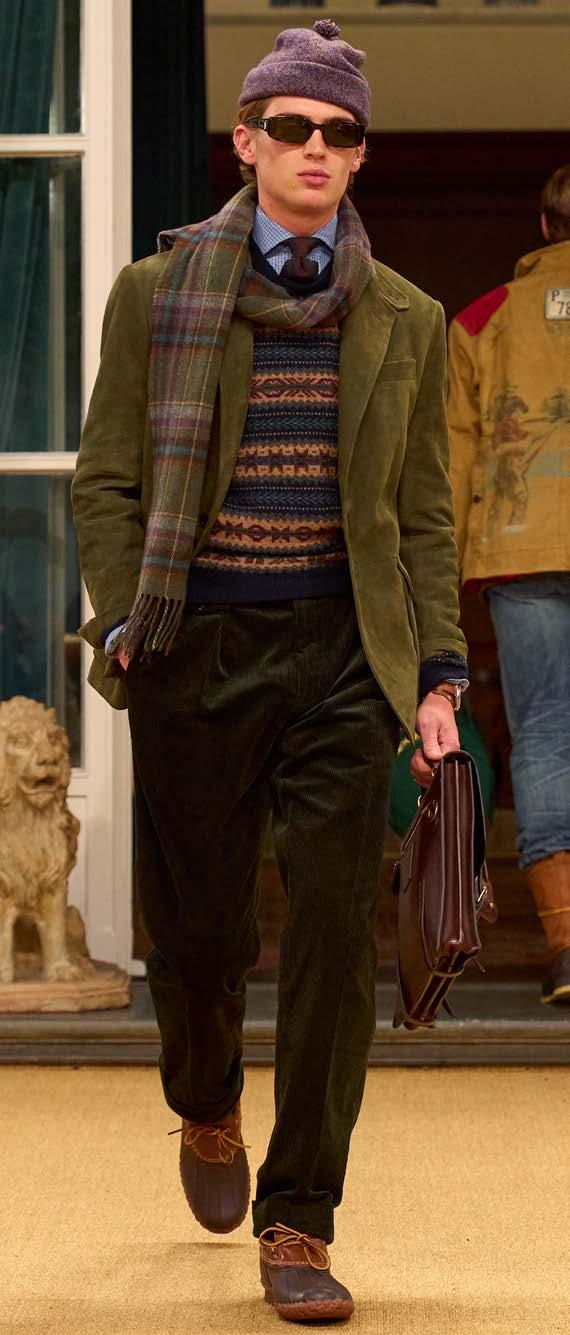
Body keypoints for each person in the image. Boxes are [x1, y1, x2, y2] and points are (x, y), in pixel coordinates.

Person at [73, 19, 468, 1323]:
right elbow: (108, 476)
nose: (314, 148)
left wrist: (437, 675)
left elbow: (421, 515)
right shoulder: (157, 292)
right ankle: (204, 1097)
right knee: (198, 936)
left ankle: (300, 1215)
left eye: (339, 132)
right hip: (192, 647)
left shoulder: (405, 317)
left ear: (357, 156)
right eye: (291, 126)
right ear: (245, 142)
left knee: (333, 944)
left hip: (341, 657)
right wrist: (124, 619)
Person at [447, 164, 570, 1009]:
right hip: (520, 558)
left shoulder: (482, 318)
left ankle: (564, 943)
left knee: (545, 735)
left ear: (544, 224)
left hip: (518, 551)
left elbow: (453, 457)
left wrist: (441, 578)